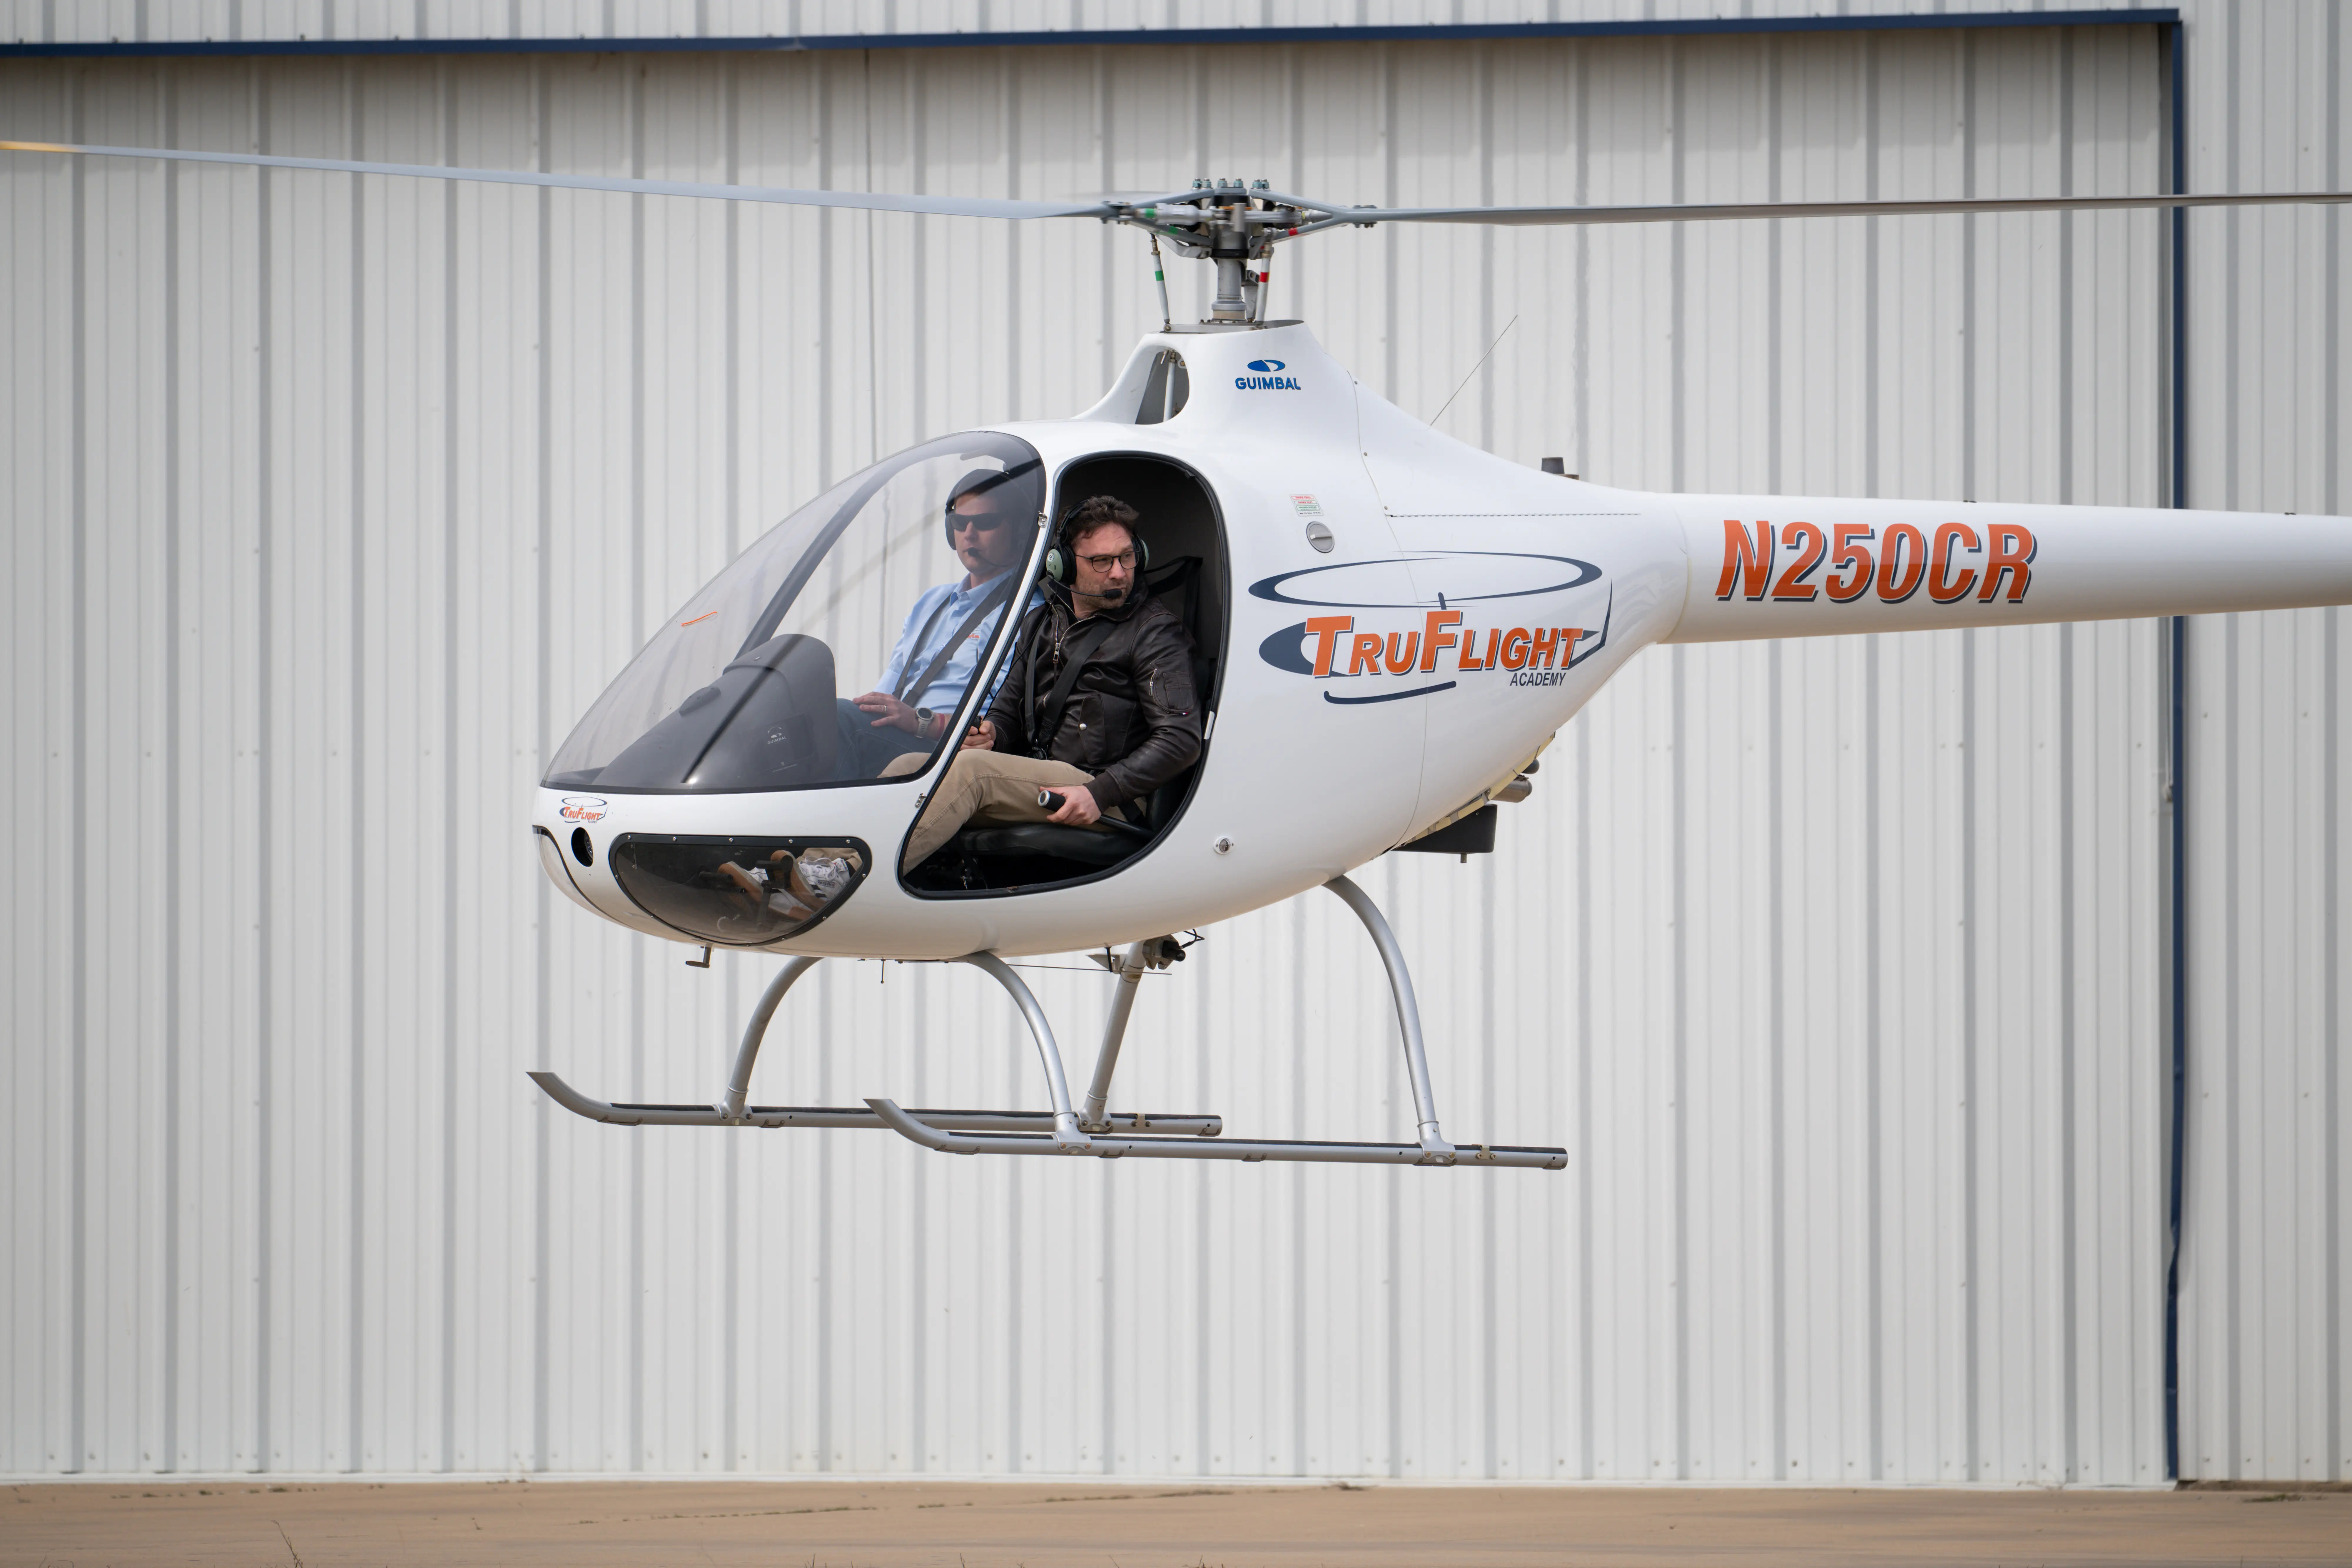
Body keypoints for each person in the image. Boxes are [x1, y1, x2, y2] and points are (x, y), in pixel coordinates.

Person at [893, 494, 1202, 872]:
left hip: (1104, 790)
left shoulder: (1155, 632)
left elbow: (1180, 738)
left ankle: (841, 881)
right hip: (1042, 775)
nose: (1119, 573)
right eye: (1102, 561)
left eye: (1126, 557)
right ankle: (819, 867)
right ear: (1063, 566)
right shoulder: (1041, 622)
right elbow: (1006, 713)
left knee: (971, 773)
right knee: (908, 767)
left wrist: (1099, 792)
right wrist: (992, 734)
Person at [831, 468, 1035, 779]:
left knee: (839, 719)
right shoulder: (931, 602)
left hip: (952, 751)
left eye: (985, 522)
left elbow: (999, 721)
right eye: (959, 522)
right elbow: (882, 696)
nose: (969, 534)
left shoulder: (1026, 612)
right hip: (899, 739)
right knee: (816, 723)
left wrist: (919, 721)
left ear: (1019, 530)